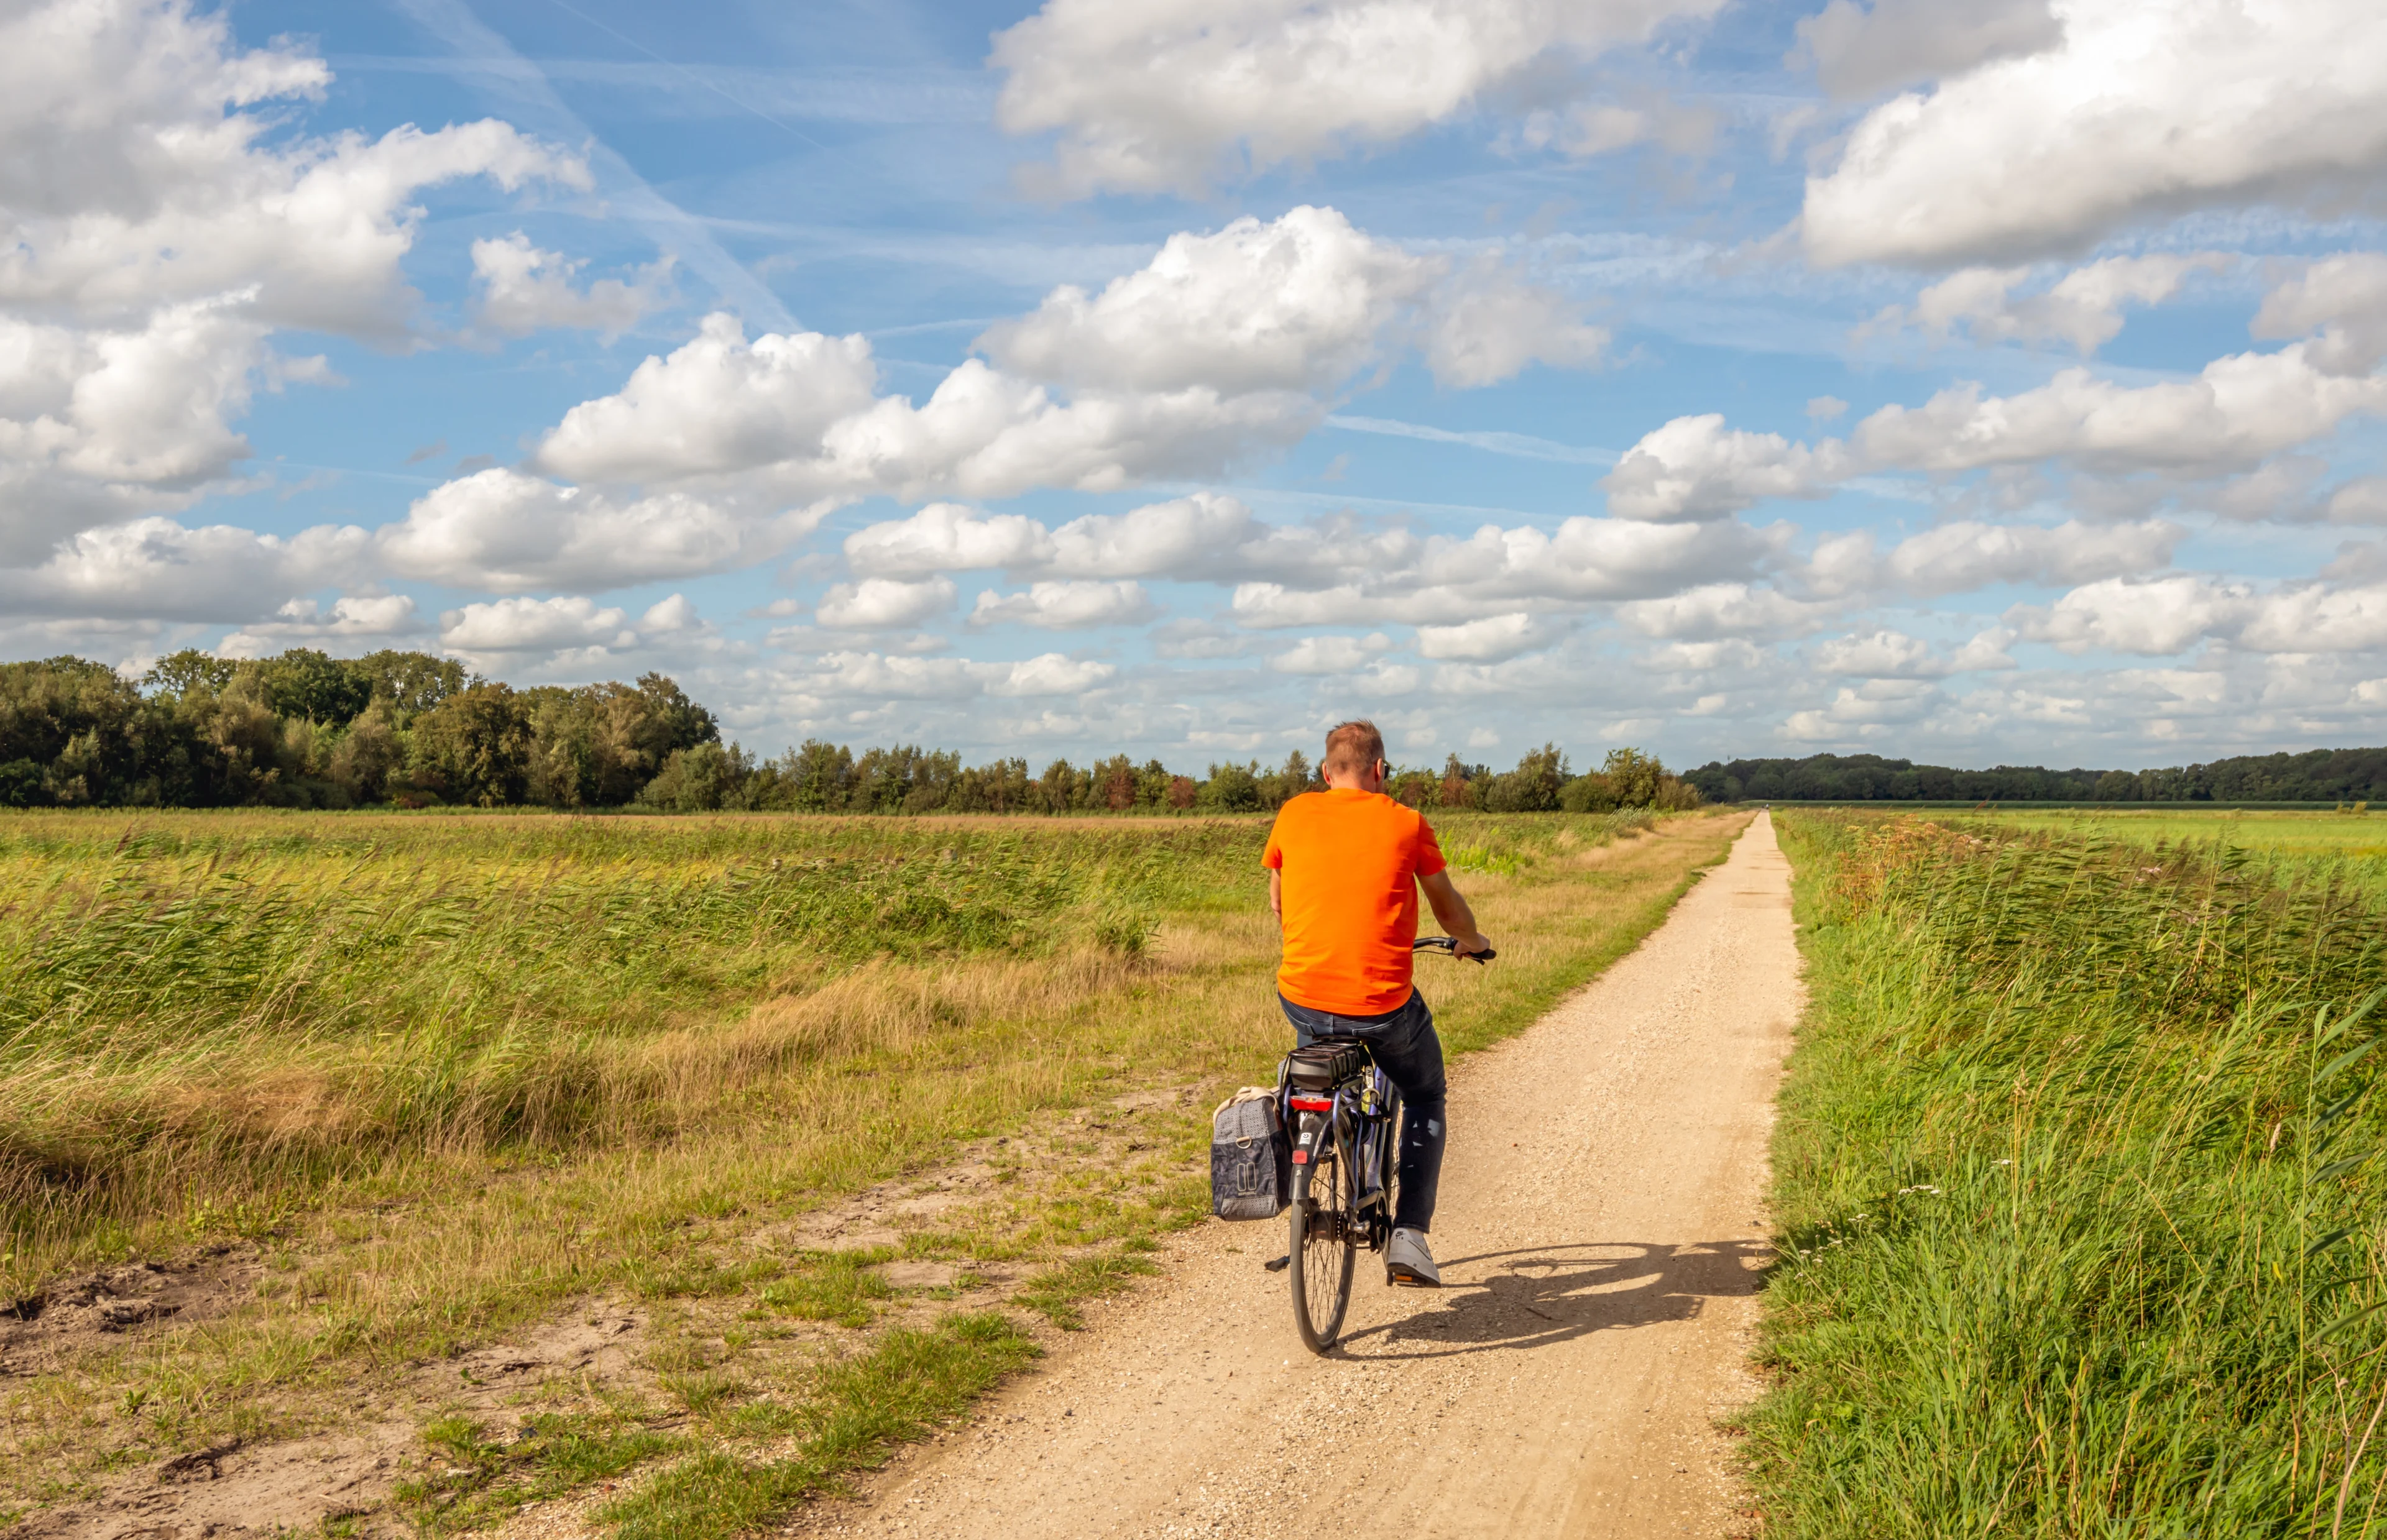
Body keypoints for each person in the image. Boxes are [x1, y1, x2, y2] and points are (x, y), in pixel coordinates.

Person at [1262, 719, 1492, 1286]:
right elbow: (1446, 907)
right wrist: (1474, 941)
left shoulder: (1293, 813)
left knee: (1316, 1069)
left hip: (1304, 996)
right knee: (1424, 1092)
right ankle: (1410, 1235)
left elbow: (1279, 902)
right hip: (1383, 1006)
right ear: (1381, 771)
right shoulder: (1407, 823)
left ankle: (1313, 1149)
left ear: (1325, 772)